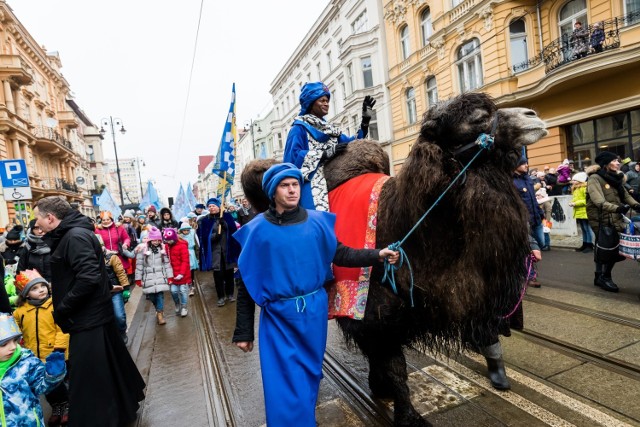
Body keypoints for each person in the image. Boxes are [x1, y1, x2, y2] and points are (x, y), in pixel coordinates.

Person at [232, 163, 399, 427]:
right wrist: (243, 331)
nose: (292, 190)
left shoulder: (317, 222)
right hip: (278, 317)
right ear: (273, 191)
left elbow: (342, 254)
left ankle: (304, 418)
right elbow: (245, 283)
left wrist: (377, 254)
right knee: (283, 383)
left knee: (309, 377)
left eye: (295, 184)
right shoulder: (257, 231)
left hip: (314, 313)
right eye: (285, 185)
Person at [35, 196, 145, 426]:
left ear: (50, 218)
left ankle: (101, 419)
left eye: (38, 219)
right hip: (92, 315)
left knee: (89, 377)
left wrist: (63, 308)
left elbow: (88, 277)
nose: (37, 224)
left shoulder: (74, 236)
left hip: (88, 318)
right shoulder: (73, 234)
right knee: (107, 367)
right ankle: (120, 411)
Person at [283, 82, 376, 211]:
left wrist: (364, 123)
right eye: (322, 100)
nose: (326, 103)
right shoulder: (298, 129)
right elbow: (292, 159)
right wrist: (323, 154)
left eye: (327, 100)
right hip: (311, 184)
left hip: (336, 175)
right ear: (311, 102)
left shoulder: (330, 129)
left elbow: (351, 145)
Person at [13, 269, 70, 426]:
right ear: (26, 294)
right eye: (35, 288)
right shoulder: (20, 312)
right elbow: (15, 331)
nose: (41, 290)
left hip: (55, 353)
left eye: (42, 286)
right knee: (45, 386)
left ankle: (66, 405)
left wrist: (59, 348)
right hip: (34, 356)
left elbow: (62, 329)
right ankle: (56, 407)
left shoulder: (54, 306)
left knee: (58, 383)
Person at [0, 313, 66, 426]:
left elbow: (42, 386)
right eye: (4, 344)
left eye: (15, 340)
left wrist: (53, 375)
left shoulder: (26, 362)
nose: (13, 347)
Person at [586, 152, 640, 292]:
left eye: (618, 161)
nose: (618, 163)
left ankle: (600, 276)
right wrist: (618, 208)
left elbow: (626, 195)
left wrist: (636, 205)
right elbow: (598, 201)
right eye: (615, 161)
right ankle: (604, 277)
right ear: (606, 163)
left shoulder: (616, 178)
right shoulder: (595, 179)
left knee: (607, 247)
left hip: (615, 216)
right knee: (606, 247)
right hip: (600, 218)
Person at [197, 198, 239, 307]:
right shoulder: (205, 220)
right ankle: (221, 296)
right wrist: (215, 236)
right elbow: (204, 238)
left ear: (219, 207)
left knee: (229, 273)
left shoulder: (227, 217)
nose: (211, 208)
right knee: (218, 275)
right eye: (209, 206)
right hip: (215, 252)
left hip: (227, 250)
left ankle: (230, 294)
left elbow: (234, 231)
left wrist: (225, 225)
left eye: (213, 206)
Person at [95, 235, 129, 344]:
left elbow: (120, 273)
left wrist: (126, 288)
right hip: (100, 294)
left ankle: (122, 331)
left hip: (115, 291)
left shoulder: (112, 257)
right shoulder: (90, 260)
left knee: (119, 316)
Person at [135, 226, 172, 325]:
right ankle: (158, 308)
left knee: (160, 295)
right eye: (154, 240)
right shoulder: (143, 250)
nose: (156, 242)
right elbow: (139, 265)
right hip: (148, 278)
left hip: (160, 276)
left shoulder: (163, 250)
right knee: (151, 296)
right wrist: (138, 278)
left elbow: (167, 264)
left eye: (158, 240)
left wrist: (169, 277)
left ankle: (160, 315)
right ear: (150, 240)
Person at [514, 157, 546, 250]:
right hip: (525, 220)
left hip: (536, 218)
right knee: (528, 248)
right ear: (516, 165)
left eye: (526, 163)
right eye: (523, 163)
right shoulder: (512, 181)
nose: (526, 165)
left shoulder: (528, 179)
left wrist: (541, 214)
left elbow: (533, 199)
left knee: (541, 243)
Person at [163, 228, 191, 317]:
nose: (168, 242)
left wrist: (182, 273)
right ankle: (177, 304)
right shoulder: (167, 247)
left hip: (182, 274)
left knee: (183, 291)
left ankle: (184, 307)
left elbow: (185, 261)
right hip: (172, 274)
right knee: (173, 291)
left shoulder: (182, 246)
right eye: (167, 240)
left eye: (170, 240)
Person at [569, 172, 594, 253]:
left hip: (585, 211)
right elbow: (576, 199)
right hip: (579, 211)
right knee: (583, 229)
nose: (572, 181)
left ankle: (590, 245)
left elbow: (586, 200)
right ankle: (585, 244)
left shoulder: (584, 188)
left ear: (579, 180)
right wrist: (572, 202)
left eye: (574, 180)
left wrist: (575, 203)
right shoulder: (576, 188)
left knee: (587, 228)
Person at [178, 222, 199, 296]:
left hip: (192, 255)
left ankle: (191, 286)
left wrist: (197, 256)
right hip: (184, 255)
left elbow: (197, 246)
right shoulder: (180, 237)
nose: (186, 232)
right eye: (184, 230)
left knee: (191, 271)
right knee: (185, 271)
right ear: (182, 231)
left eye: (187, 230)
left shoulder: (192, 234)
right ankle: (188, 285)